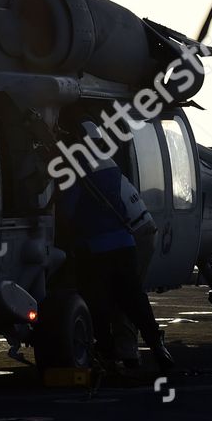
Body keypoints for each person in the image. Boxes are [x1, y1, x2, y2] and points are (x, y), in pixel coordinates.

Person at [55, 122, 171, 371]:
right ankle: (155, 344)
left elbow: (67, 211)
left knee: (98, 302)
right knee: (133, 299)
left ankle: (107, 351)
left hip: (98, 250)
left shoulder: (75, 170)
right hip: (127, 244)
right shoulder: (108, 164)